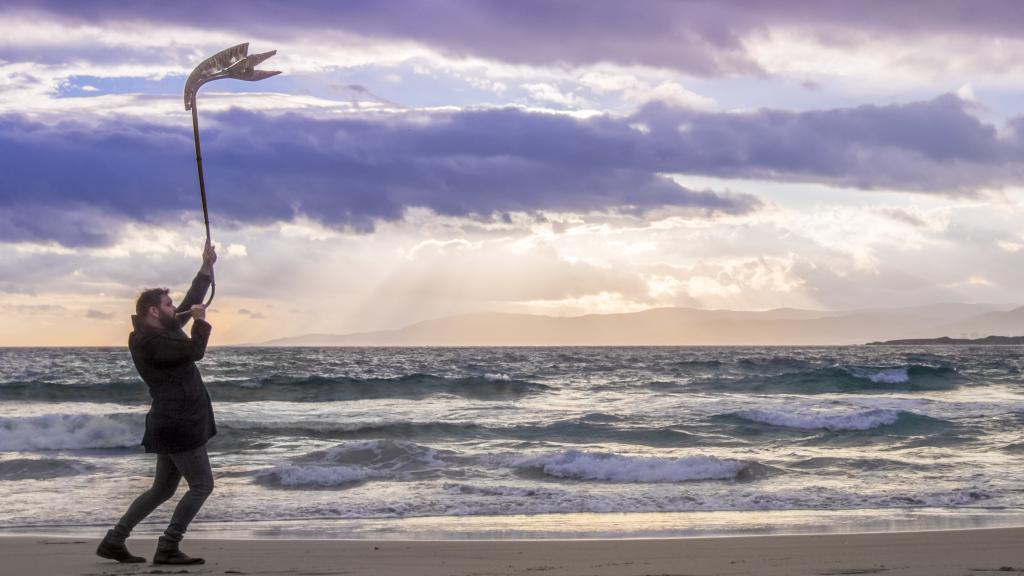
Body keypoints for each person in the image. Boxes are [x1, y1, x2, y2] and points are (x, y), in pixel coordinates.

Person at [96, 242, 218, 565]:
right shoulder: (149, 342)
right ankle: (168, 545)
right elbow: (194, 351)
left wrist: (206, 268)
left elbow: (190, 302)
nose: (174, 307)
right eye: (168, 303)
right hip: (178, 424)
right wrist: (201, 322)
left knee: (162, 489)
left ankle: (114, 540)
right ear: (153, 310)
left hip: (172, 422)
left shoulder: (161, 330)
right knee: (202, 485)